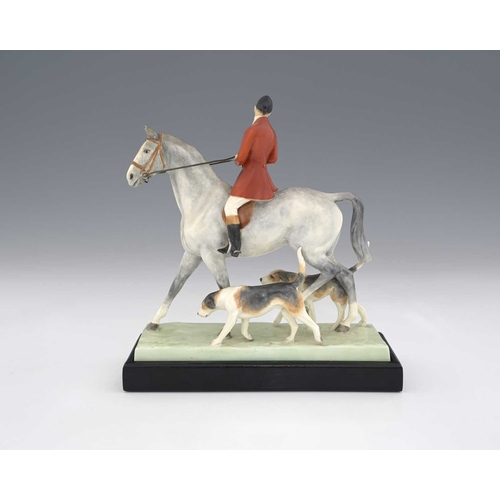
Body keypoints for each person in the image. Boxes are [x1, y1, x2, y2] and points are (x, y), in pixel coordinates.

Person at [218, 95, 278, 257]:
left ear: (255, 108)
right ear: (269, 113)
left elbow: (242, 158)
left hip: (251, 178)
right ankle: (232, 244)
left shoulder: (252, 130)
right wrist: (259, 158)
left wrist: (239, 158)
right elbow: (273, 158)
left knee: (230, 207)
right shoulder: (271, 132)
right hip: (263, 177)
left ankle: (235, 246)